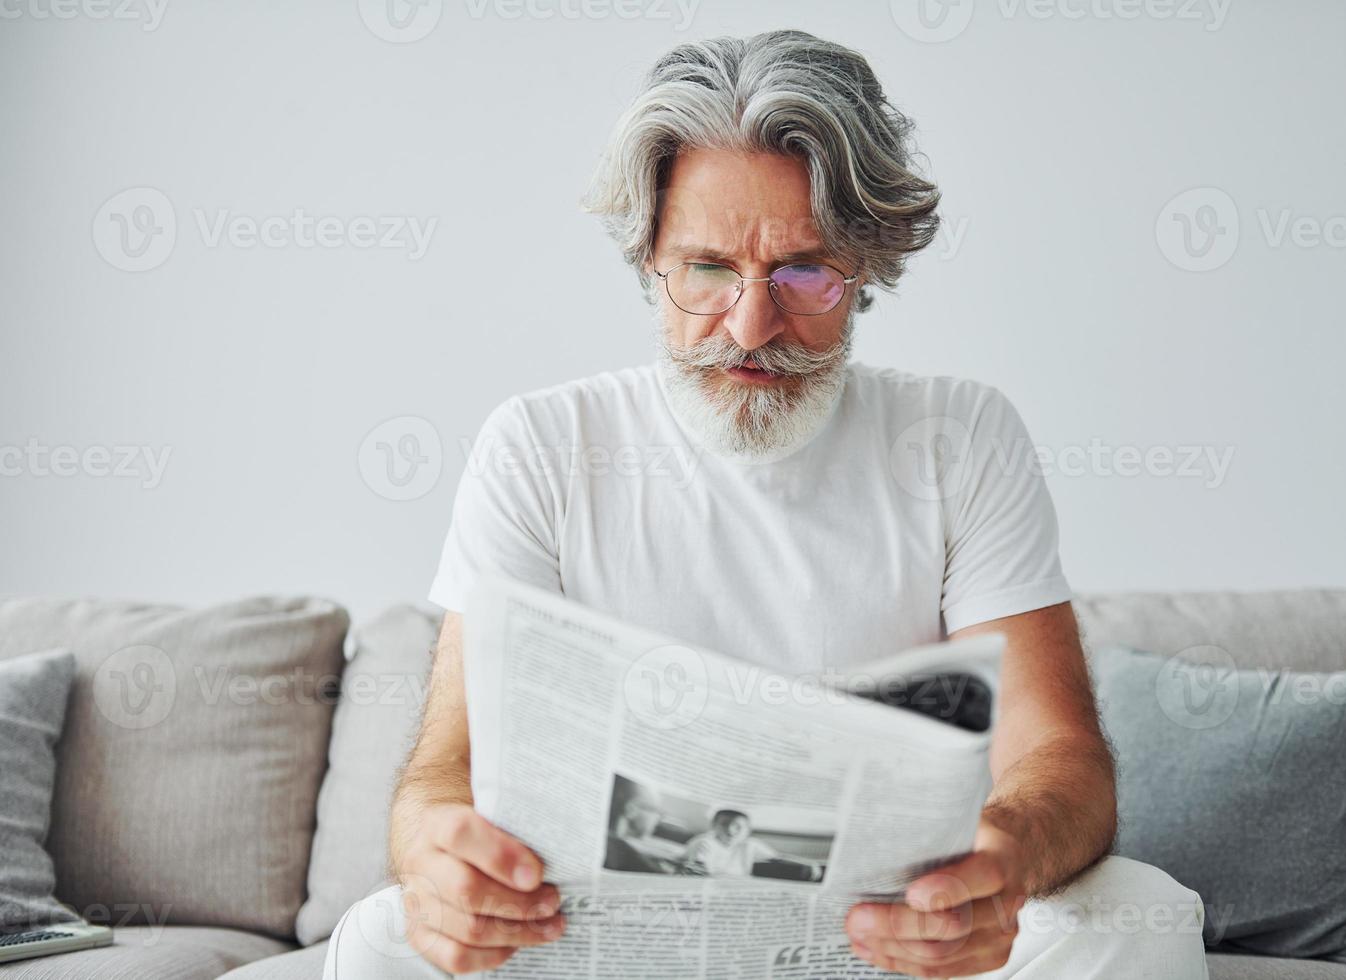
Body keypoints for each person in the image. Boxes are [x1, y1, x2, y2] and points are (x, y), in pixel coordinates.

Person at [324, 29, 1207, 980]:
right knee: (382, 938)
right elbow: (445, 765)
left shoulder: (960, 436)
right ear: (649, 258)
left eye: (802, 272)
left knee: (1141, 916)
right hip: (610, 937)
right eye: (707, 269)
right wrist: (434, 858)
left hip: (896, 943)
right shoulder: (540, 444)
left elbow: (1059, 754)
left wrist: (1001, 862)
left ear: (864, 268)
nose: (751, 325)